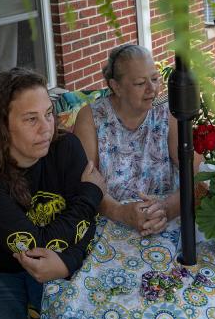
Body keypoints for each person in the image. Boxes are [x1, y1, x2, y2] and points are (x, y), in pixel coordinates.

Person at [0, 68, 107, 319]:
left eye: (48, 113)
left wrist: (66, 262)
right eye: (31, 119)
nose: (46, 127)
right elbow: (39, 243)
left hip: (55, 256)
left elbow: (87, 222)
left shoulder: (66, 147)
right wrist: (91, 194)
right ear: (2, 125)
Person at [74, 44, 202, 236]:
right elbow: (85, 184)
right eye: (140, 83)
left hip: (166, 221)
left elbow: (198, 172)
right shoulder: (91, 118)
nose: (152, 89)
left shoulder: (167, 113)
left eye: (155, 79)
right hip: (111, 225)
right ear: (116, 86)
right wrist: (120, 212)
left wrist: (166, 209)